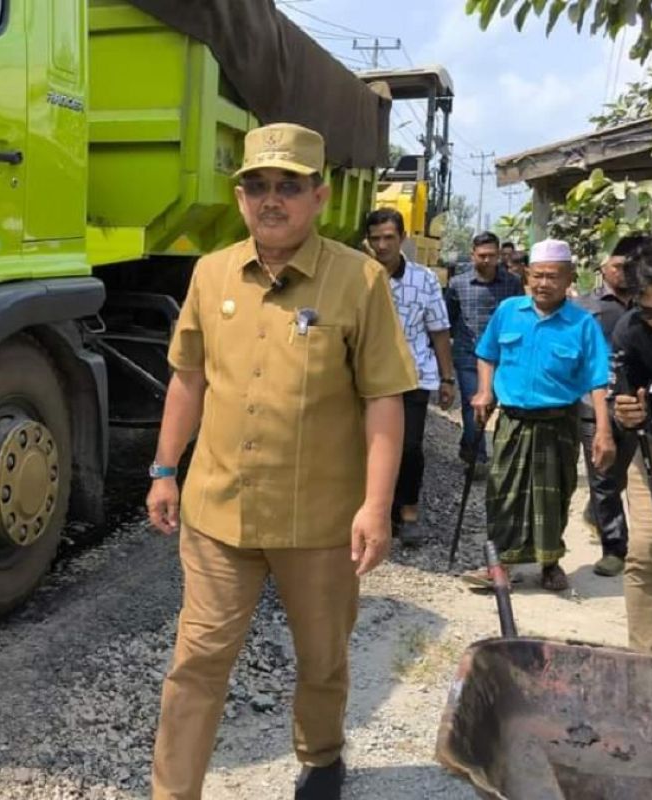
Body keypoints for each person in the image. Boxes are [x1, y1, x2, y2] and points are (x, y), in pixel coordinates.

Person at [146, 123, 416, 800]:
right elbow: (188, 378)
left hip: (321, 522)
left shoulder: (359, 281)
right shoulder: (211, 273)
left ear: (320, 196)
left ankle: (321, 758)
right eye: (257, 185)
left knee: (321, 657)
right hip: (218, 511)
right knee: (198, 660)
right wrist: (163, 468)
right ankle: (172, 792)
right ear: (239, 197)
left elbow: (385, 397)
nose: (272, 200)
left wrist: (376, 507)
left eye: (288, 186)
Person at [465, 239, 615, 592]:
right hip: (513, 420)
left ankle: (550, 564)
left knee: (553, 495)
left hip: (558, 422)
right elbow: (486, 354)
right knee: (501, 492)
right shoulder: (508, 311)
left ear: (568, 279)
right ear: (527, 277)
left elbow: (597, 380)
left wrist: (604, 431)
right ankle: (498, 564)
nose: (543, 283)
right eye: (537, 276)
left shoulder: (582, 324)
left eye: (552, 277)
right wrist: (485, 391)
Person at [364, 208, 456, 545]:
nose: (382, 245)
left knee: (410, 447)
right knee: (369, 445)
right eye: (375, 239)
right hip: (368, 377)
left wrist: (447, 379)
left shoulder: (424, 279)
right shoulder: (359, 276)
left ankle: (408, 511)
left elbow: (439, 330)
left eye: (389, 237)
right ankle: (376, 510)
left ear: (402, 238)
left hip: (413, 375)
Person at [575, 236, 652, 576]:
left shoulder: (649, 306)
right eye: (618, 267)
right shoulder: (585, 307)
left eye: (630, 268)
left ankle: (597, 514)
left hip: (638, 403)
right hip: (595, 404)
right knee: (603, 475)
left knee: (621, 475)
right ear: (603, 269)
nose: (624, 274)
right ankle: (615, 548)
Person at [610, 239, 652, 653]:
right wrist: (625, 412)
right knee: (647, 553)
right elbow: (624, 395)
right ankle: (650, 669)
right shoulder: (631, 331)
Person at [446, 233, 525, 471]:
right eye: (482, 256)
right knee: (474, 404)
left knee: (491, 405)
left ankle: (469, 444)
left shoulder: (511, 283)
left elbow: (520, 316)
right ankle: (478, 459)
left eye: (491, 255)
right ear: (473, 255)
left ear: (499, 254)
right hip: (468, 355)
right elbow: (449, 319)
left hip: (502, 357)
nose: (487, 260)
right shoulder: (458, 285)